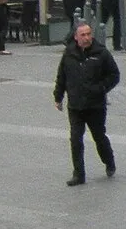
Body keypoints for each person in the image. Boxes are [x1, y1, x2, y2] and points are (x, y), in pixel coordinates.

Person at [52, 20, 121, 185]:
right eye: (83, 35)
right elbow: (62, 76)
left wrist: (101, 88)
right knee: (75, 139)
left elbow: (114, 75)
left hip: (95, 105)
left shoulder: (101, 54)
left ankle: (109, 161)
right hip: (75, 105)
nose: (87, 37)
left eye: (89, 34)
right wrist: (58, 96)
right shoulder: (69, 54)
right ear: (76, 37)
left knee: (99, 137)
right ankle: (78, 174)